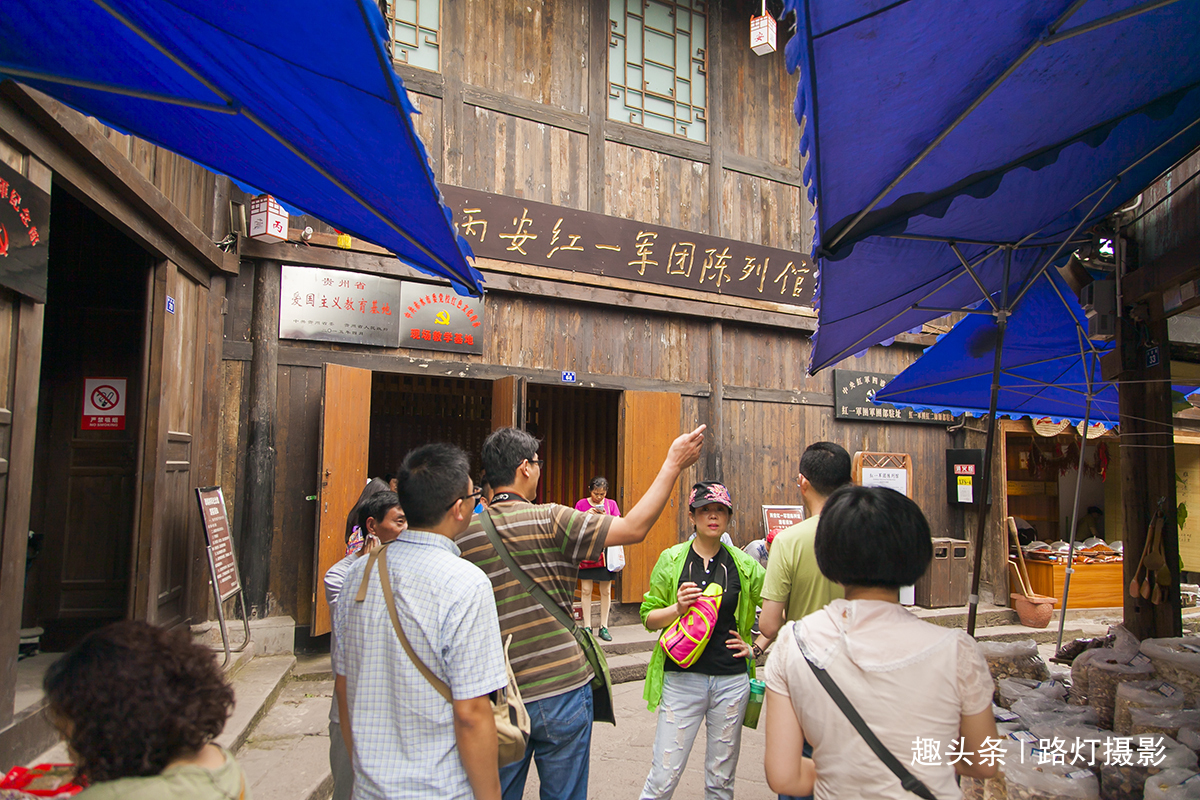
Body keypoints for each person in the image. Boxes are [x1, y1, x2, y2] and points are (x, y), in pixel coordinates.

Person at [457, 424, 706, 800]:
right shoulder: (552, 518)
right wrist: (672, 464)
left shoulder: (464, 535)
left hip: (499, 691)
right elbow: (634, 528)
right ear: (525, 468)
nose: (539, 470)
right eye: (538, 462)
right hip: (562, 686)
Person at [763, 486, 999, 799]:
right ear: (916, 555)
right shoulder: (957, 650)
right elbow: (984, 762)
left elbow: (784, 778)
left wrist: (847, 768)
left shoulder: (793, 644)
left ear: (828, 556)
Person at [333, 452, 509, 800]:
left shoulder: (356, 575)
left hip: (369, 788)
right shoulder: (467, 584)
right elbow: (472, 712)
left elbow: (343, 687)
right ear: (459, 509)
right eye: (474, 498)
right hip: (439, 788)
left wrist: (362, 772)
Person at [639, 481, 765, 800]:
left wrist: (758, 647)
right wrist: (677, 608)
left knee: (721, 781)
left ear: (728, 517)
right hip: (681, 681)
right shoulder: (672, 559)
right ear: (692, 517)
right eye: (705, 510)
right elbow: (648, 617)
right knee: (663, 776)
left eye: (720, 510)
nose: (713, 516)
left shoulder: (745, 565)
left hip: (731, 682)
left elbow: (780, 602)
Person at [42, 620, 247, 799]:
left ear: (105, 727)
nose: (64, 742)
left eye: (66, 732)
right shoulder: (224, 766)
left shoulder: (114, 796)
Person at [324, 477, 401, 800]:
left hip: (397, 695)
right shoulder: (339, 575)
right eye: (398, 521)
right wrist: (369, 567)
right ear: (372, 525)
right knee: (350, 784)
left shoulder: (407, 570)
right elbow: (359, 624)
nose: (405, 529)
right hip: (354, 698)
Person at [758, 442, 852, 641]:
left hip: (807, 660)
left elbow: (768, 626)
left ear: (803, 482)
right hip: (858, 659)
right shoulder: (871, 534)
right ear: (849, 483)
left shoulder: (787, 542)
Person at [574, 476, 625, 642]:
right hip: (588, 551)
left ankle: (604, 626)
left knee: (606, 590)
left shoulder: (611, 505)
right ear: (590, 490)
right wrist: (587, 515)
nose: (599, 497)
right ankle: (587, 626)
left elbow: (618, 525)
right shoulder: (581, 504)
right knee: (586, 590)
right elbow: (574, 525)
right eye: (596, 493)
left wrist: (607, 517)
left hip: (605, 552)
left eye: (602, 494)